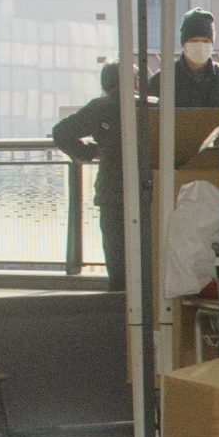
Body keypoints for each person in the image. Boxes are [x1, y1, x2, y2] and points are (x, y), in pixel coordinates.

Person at [51, 61, 135, 290]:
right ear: (135, 83)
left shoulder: (101, 107)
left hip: (112, 191)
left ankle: (118, 299)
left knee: (117, 254)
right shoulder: (151, 106)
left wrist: (91, 152)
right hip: (148, 190)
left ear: (105, 85)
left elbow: (61, 132)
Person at [167, 9, 219, 112]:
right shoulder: (164, 79)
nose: (200, 46)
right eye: (194, 41)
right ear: (184, 44)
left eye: (206, 41)